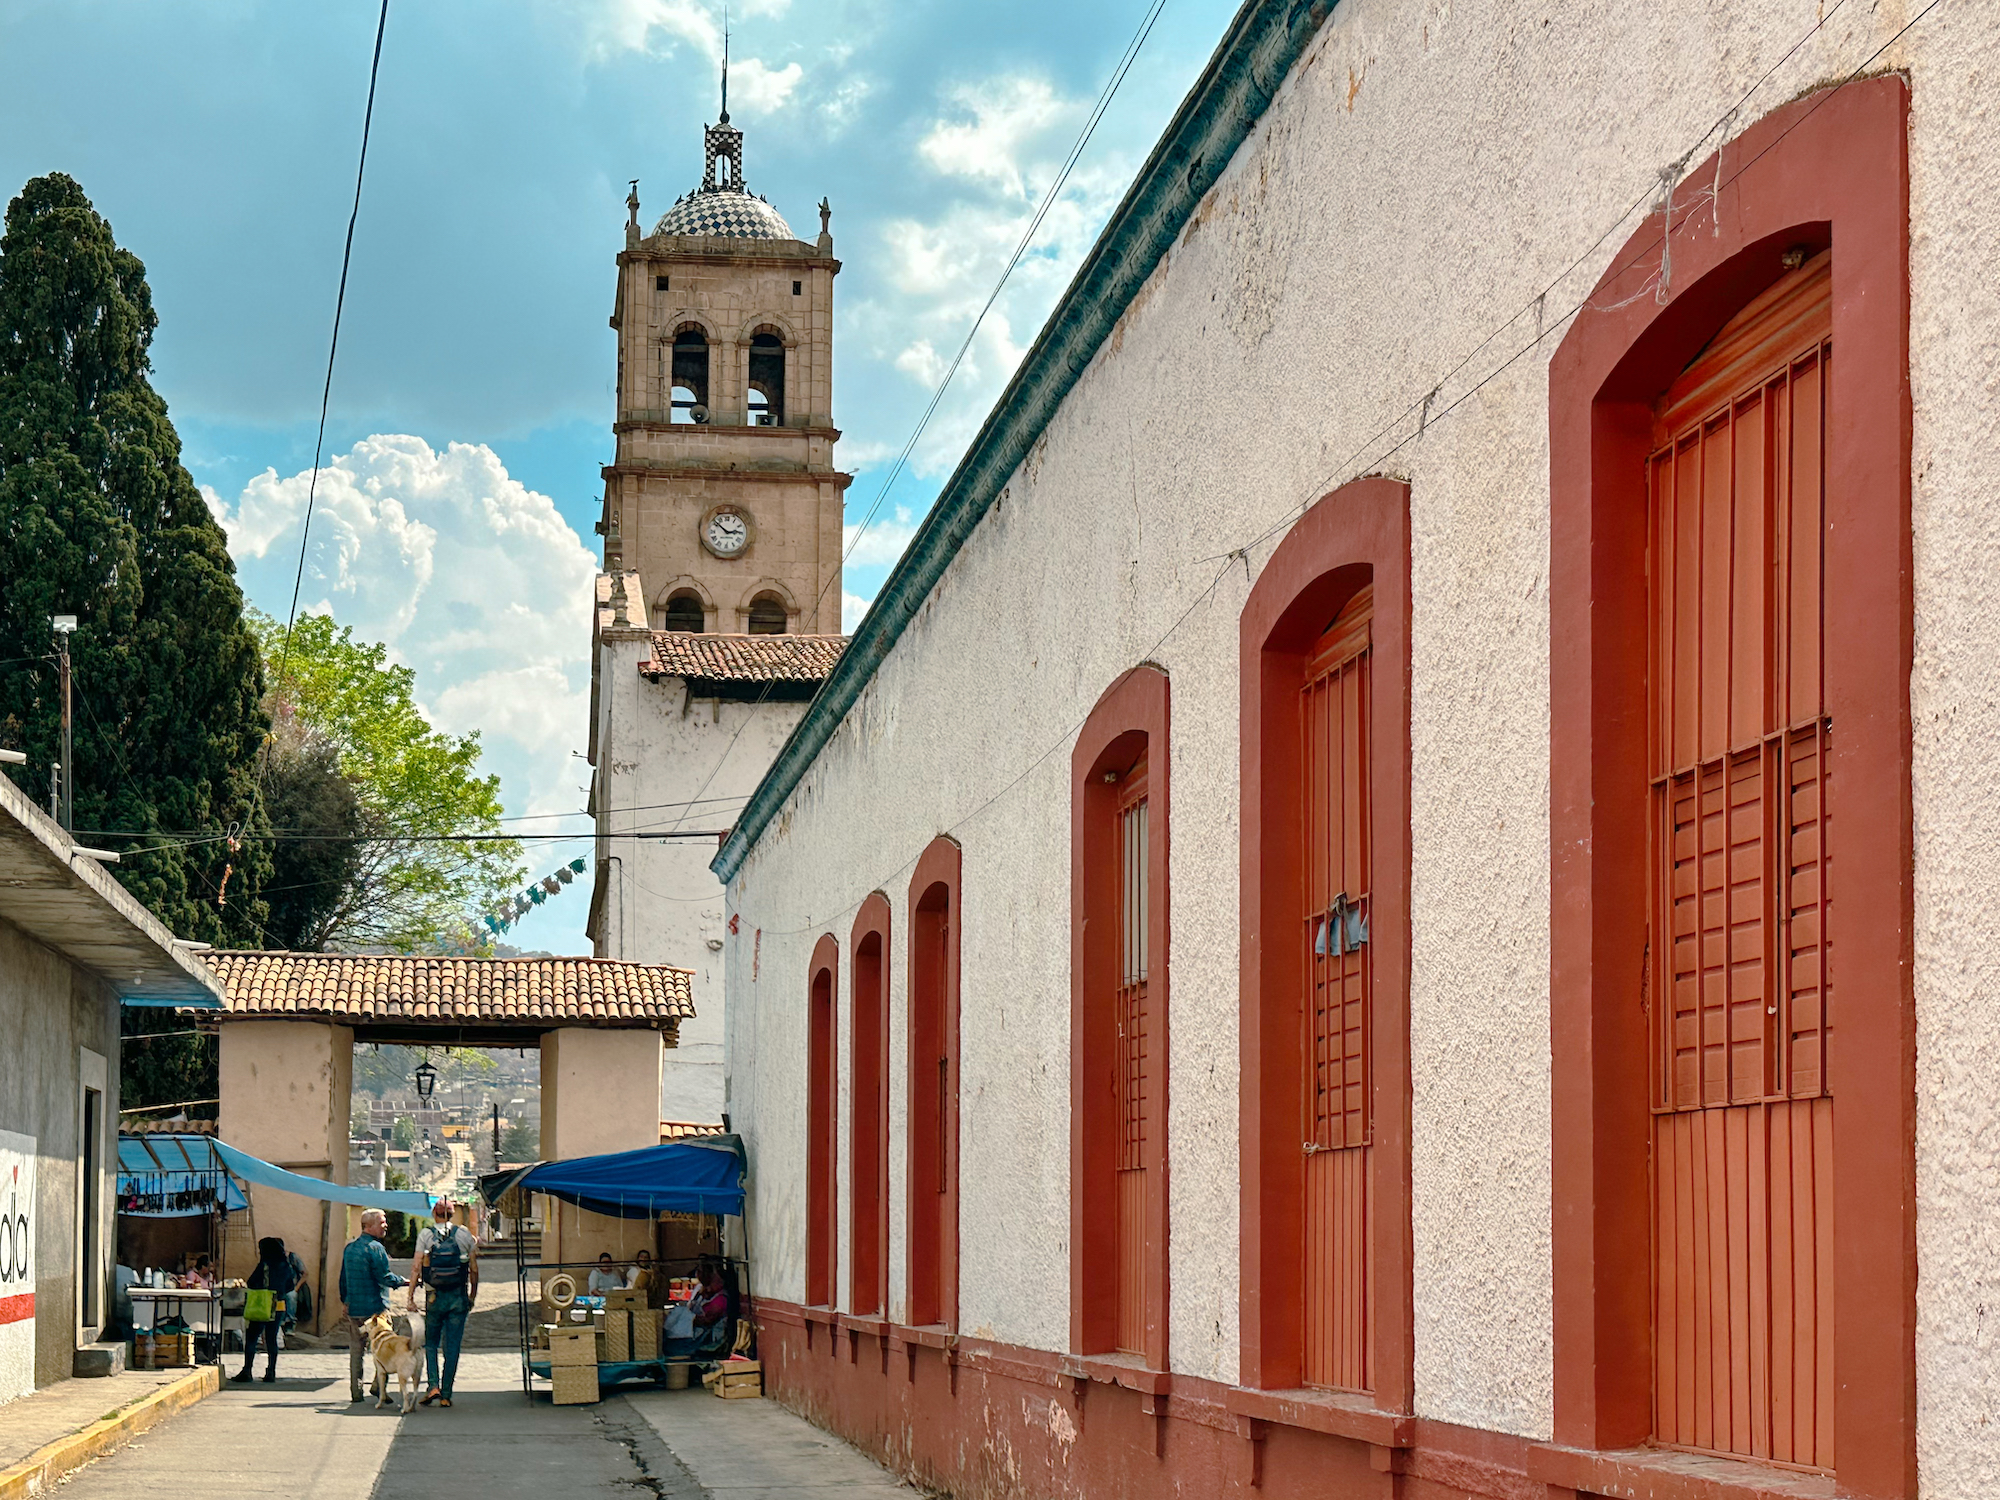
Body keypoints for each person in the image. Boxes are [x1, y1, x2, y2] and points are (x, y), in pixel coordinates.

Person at [339, 1209, 410, 1403]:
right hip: (376, 1310)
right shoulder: (376, 1248)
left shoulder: (350, 1249)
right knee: (385, 1348)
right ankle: (378, 1387)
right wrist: (403, 1281)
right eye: (381, 1222)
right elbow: (384, 1276)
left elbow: (343, 1279)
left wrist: (345, 1300)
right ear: (369, 1226)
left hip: (355, 1308)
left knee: (356, 1350)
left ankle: (356, 1391)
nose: (385, 1225)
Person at [413, 1199, 477, 1408]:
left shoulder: (426, 1235)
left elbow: (416, 1267)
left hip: (434, 1296)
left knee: (431, 1343)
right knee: (452, 1346)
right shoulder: (464, 1234)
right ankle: (447, 1394)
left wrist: (410, 1296)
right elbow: (474, 1268)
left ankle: (433, 1385)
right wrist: (472, 1295)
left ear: (434, 1214)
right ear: (452, 1214)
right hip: (458, 1296)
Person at [233, 1237, 297, 1383]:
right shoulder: (286, 1266)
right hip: (278, 1305)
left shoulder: (264, 1265)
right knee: (271, 1339)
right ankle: (271, 1372)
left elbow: (251, 1282)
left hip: (262, 1304)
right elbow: (290, 1287)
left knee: (252, 1337)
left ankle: (247, 1370)